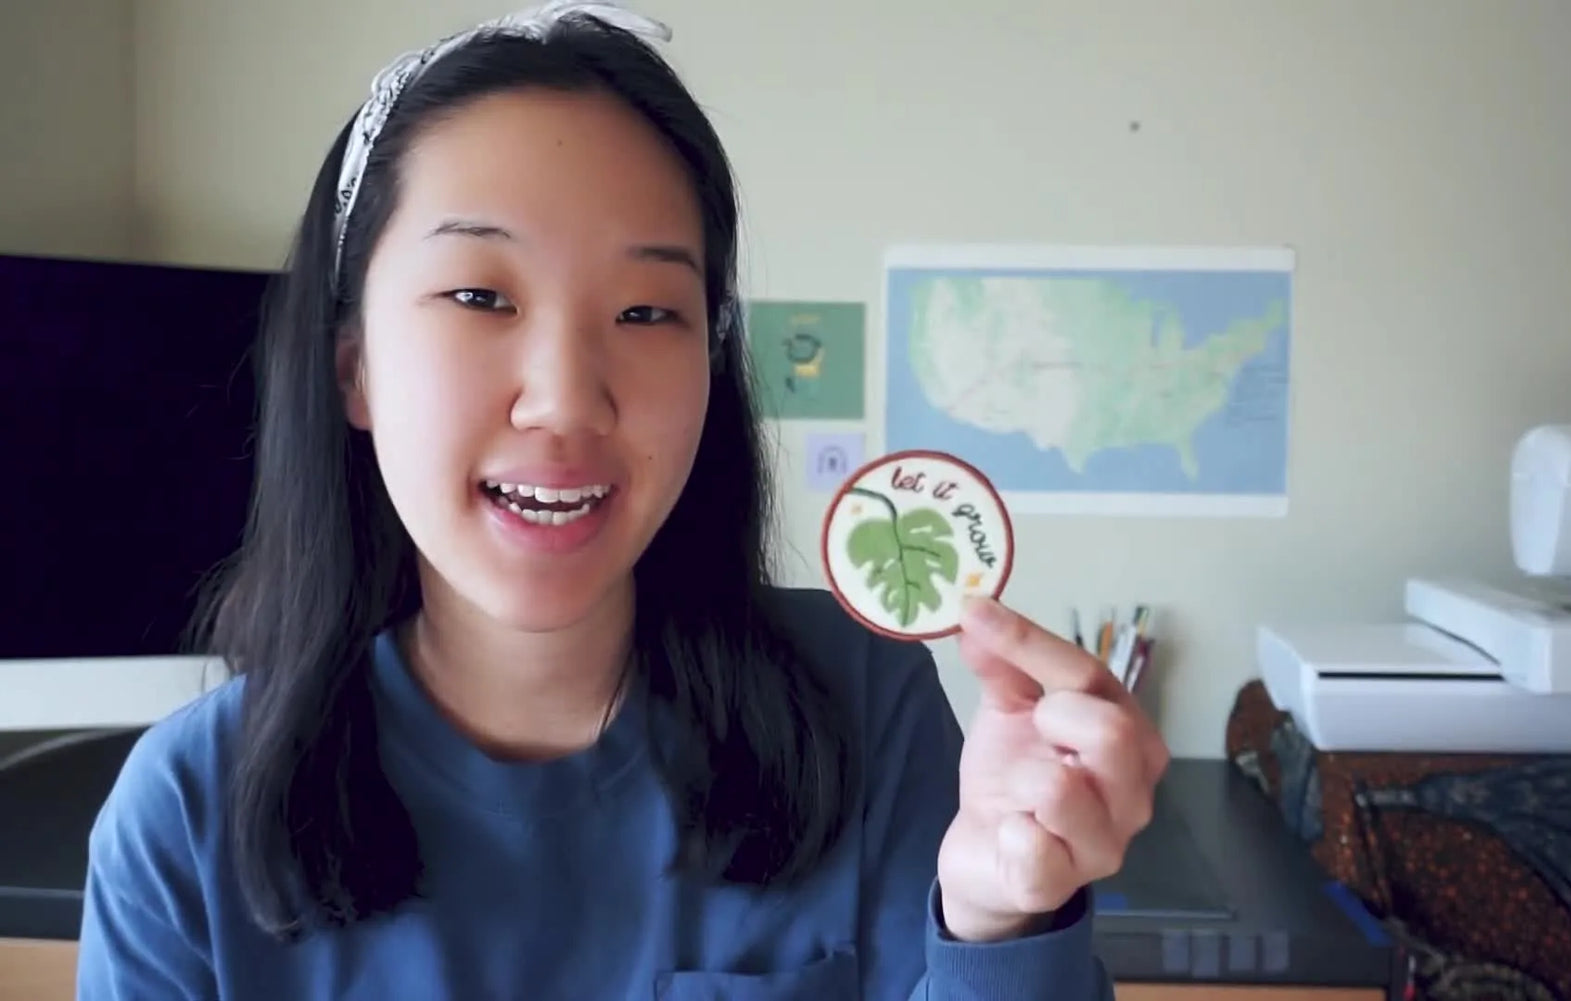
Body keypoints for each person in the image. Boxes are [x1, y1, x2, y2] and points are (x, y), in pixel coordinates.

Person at [75, 3, 1169, 998]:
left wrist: (998, 919)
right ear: (353, 365)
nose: (566, 400)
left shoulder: (865, 706)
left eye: (648, 312)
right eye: (479, 294)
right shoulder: (186, 817)